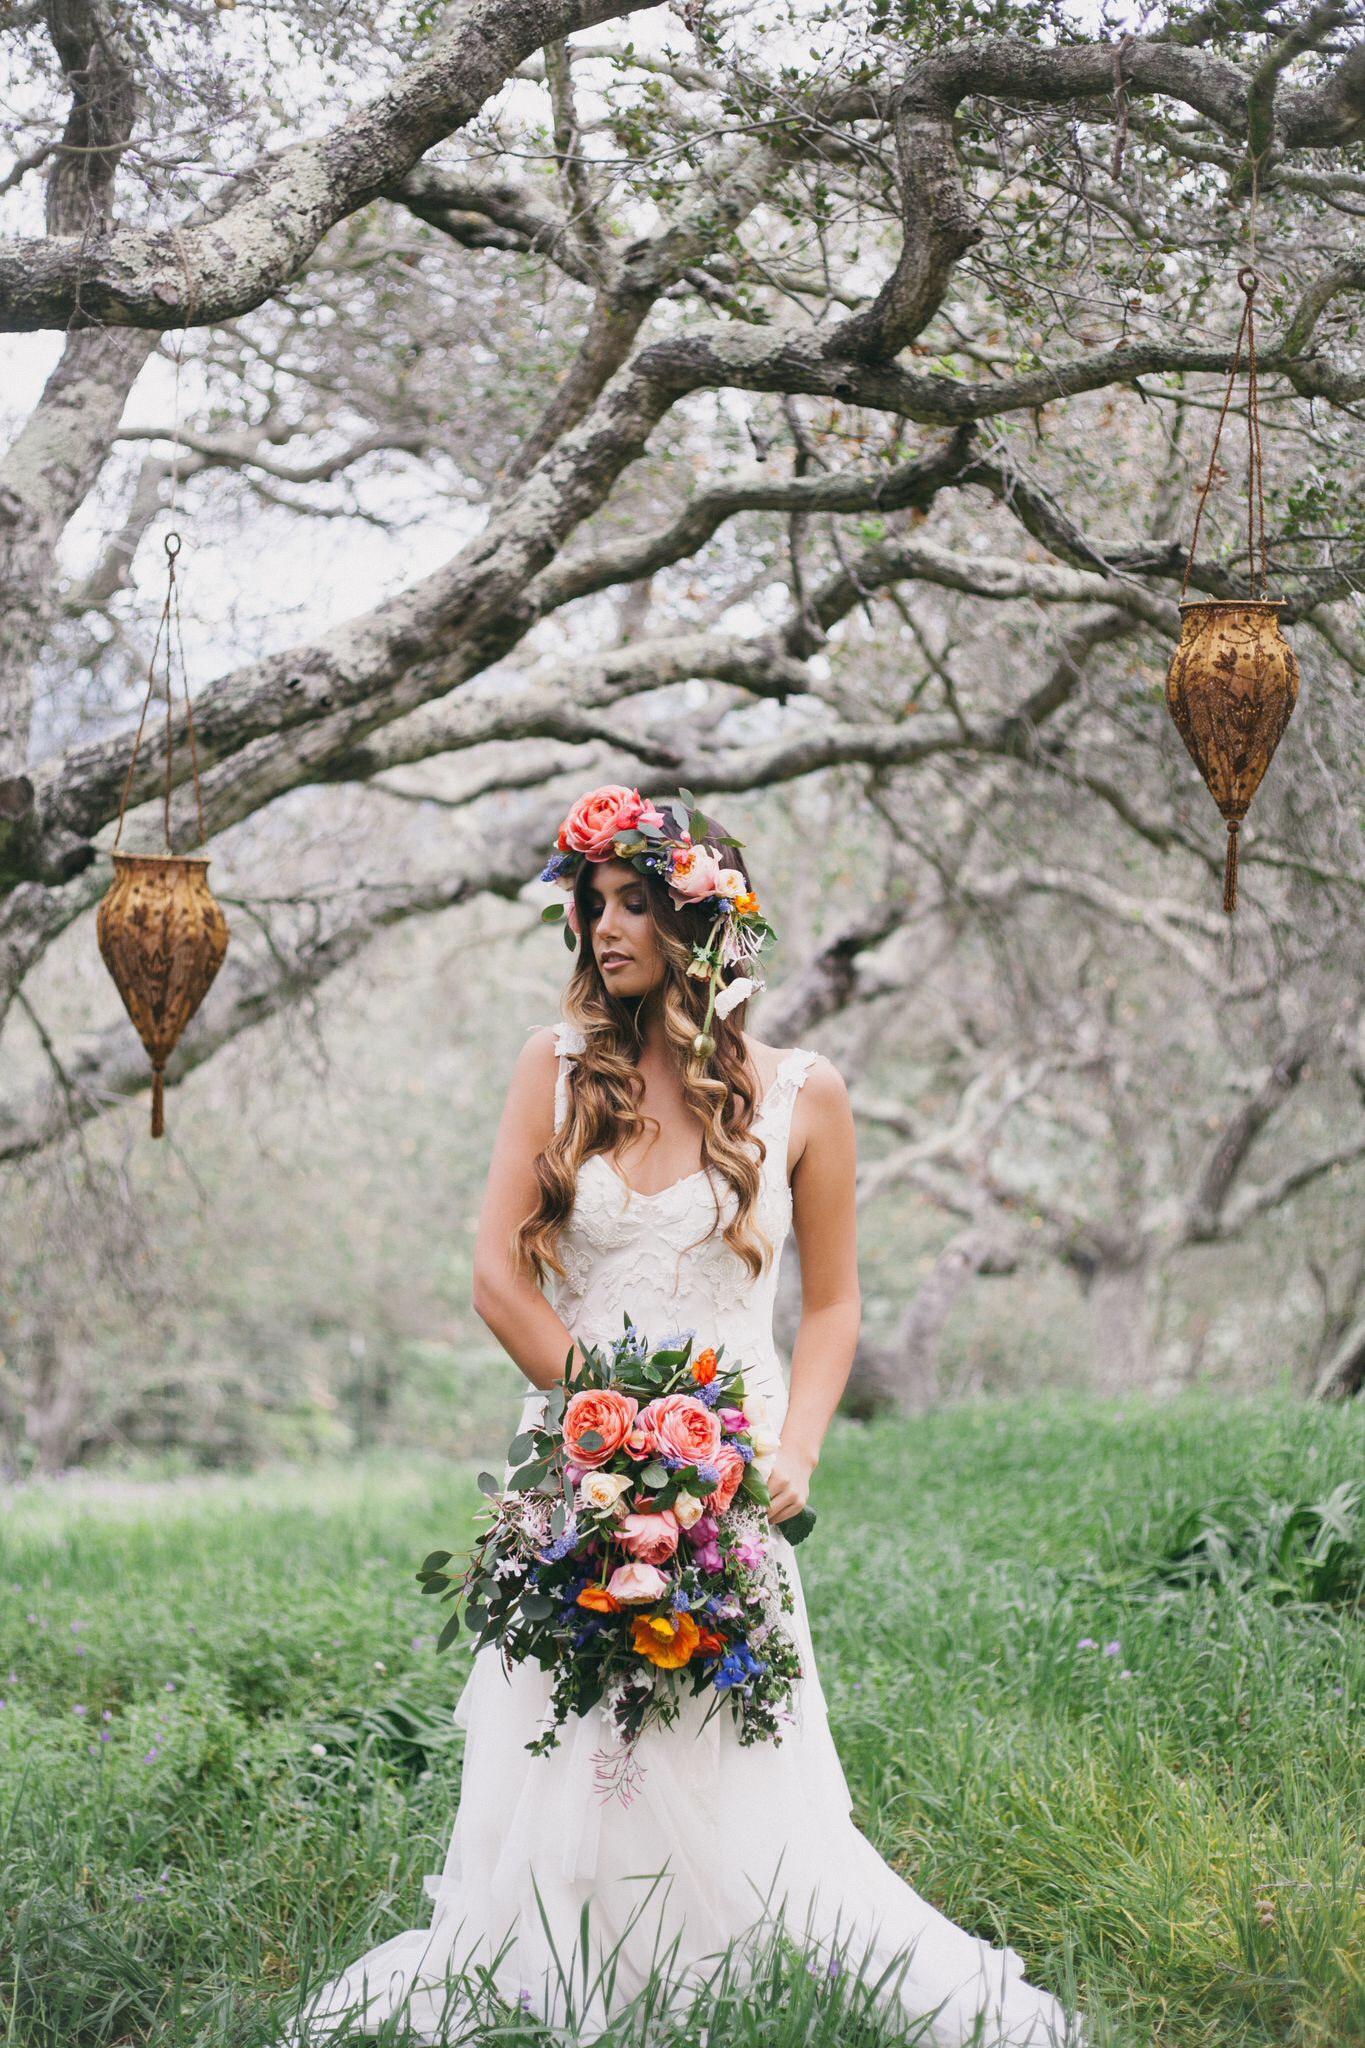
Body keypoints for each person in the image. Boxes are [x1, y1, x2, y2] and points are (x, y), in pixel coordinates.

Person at [290, 785, 1086, 2047]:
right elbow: (499, 1277)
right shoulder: (553, 1071)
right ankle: (562, 1952)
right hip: (582, 1456)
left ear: (700, 917)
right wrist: (606, 1421)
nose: (605, 928)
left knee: (726, 1731)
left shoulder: (803, 1092)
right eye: (591, 905)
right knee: (574, 1719)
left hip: (730, 1471)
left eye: (634, 904)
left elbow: (834, 1307)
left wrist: (794, 1452)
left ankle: (729, 1954)